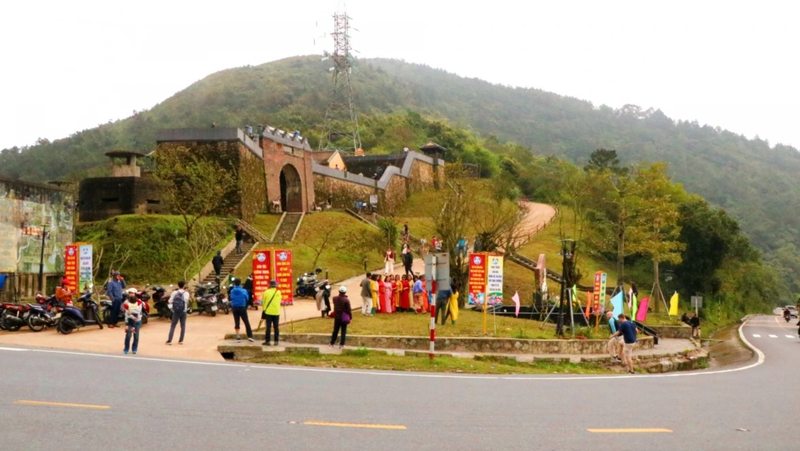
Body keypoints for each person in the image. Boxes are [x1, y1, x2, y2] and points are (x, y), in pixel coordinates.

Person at [122, 288, 144, 355]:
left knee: (136, 335)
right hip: (129, 321)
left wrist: (131, 313)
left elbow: (138, 311)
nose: (131, 294)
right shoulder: (126, 302)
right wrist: (127, 322)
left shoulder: (139, 302)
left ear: (135, 294)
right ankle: (126, 348)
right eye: (130, 293)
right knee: (128, 335)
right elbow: (126, 313)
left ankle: (134, 349)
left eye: (132, 293)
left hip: (137, 321)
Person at [261, 280, 282, 346]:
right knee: (276, 327)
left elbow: (263, 302)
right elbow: (279, 301)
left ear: (269, 285)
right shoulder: (278, 292)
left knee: (268, 327)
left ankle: (267, 341)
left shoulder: (266, 292)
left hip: (268, 312)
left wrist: (264, 309)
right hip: (276, 312)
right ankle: (276, 341)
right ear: (275, 286)